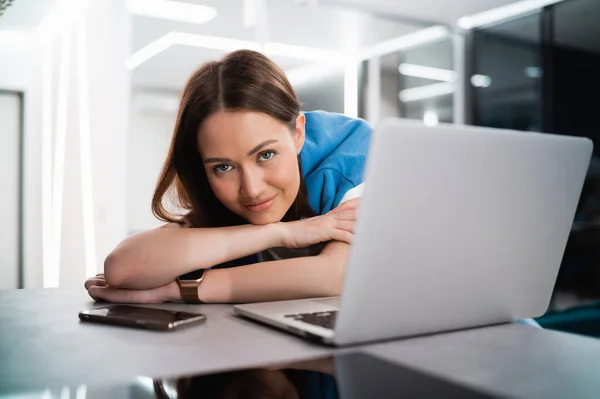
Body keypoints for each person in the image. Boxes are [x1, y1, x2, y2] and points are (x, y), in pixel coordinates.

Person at [84, 49, 370, 304]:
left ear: (298, 133)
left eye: (266, 155)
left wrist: (178, 290)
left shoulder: (353, 151)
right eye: (223, 167)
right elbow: (122, 269)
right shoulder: (217, 191)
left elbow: (336, 277)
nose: (252, 189)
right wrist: (282, 232)